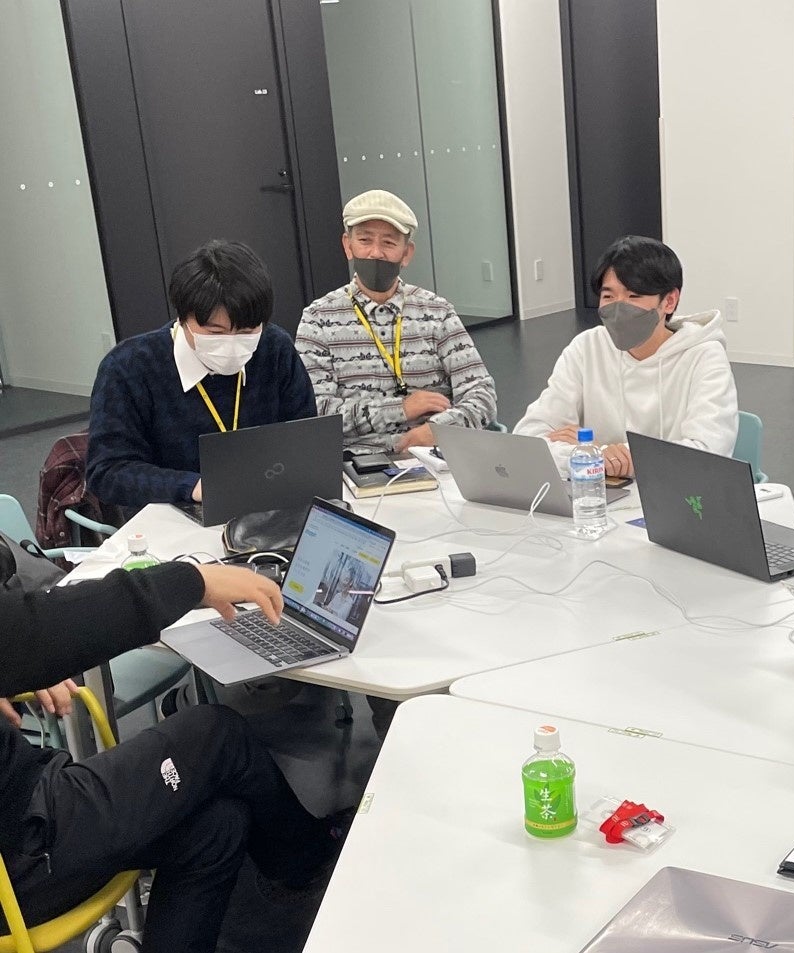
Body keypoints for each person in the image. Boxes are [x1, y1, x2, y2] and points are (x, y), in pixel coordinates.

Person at [0, 562, 351, 952]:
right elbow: (26, 627)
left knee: (217, 826)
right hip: (23, 842)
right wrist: (194, 581)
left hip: (22, 827)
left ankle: (304, 863)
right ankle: (309, 862)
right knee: (218, 734)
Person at [87, 241, 316, 510]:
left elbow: (306, 437)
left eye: (246, 332)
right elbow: (107, 472)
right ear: (183, 319)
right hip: (172, 513)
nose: (232, 344)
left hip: (267, 503)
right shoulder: (129, 366)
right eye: (215, 333)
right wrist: (194, 487)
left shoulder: (274, 348)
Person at [514, 236, 738, 477]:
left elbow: (706, 455)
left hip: (673, 495)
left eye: (633, 296)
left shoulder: (704, 356)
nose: (619, 308)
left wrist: (595, 452)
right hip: (598, 493)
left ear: (669, 301)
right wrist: (601, 456)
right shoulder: (587, 347)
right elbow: (529, 437)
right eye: (608, 297)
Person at [296, 190, 498, 453]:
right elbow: (316, 411)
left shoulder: (437, 312)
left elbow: (482, 395)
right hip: (358, 461)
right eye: (365, 240)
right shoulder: (318, 319)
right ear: (348, 245)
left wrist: (438, 430)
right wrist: (399, 409)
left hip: (436, 455)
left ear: (407, 253)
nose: (375, 253)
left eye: (389, 243)